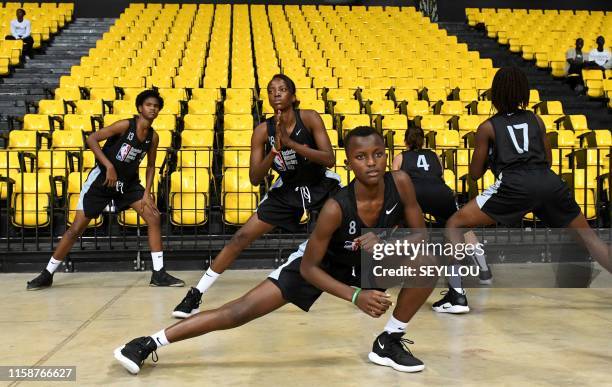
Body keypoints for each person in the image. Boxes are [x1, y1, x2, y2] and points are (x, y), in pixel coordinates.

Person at [114, 127, 435, 375]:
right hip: (320, 265)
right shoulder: (336, 208)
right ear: (349, 162)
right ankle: (148, 342)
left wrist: (386, 243)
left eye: (378, 154)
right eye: (362, 157)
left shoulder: (401, 182)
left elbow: (419, 235)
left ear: (387, 155)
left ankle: (388, 341)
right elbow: (310, 269)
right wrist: (355, 296)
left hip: (365, 259)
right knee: (239, 311)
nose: (372, 163)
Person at [171, 74, 341, 318]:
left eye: (282, 89)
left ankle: (372, 283)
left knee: (353, 226)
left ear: (293, 96)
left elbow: (329, 158)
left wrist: (292, 143)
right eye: (272, 90)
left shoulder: (310, 117)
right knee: (240, 237)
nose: (277, 93)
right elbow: (254, 177)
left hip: (320, 183)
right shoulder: (262, 131)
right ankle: (196, 294)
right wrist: (273, 152)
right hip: (287, 189)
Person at [445, 66, 611, 276]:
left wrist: (492, 159)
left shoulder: (488, 127)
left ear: (495, 94)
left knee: (454, 223)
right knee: (590, 239)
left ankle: (456, 294)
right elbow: (548, 160)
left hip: (515, 186)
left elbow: (475, 173)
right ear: (524, 92)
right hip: (548, 183)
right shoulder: (536, 120)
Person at [26, 89, 184, 290]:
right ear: (139, 108)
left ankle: (159, 274)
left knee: (153, 217)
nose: (152, 108)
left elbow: (152, 166)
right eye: (148, 105)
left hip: (128, 184)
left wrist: (147, 193)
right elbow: (91, 139)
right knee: (76, 229)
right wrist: (108, 166)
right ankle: (47, 273)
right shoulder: (125, 125)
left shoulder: (153, 137)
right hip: (102, 180)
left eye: (156, 106)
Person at [392, 127, 492, 315]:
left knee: (396, 224)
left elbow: (394, 179)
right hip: (440, 193)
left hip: (415, 193)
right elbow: (440, 175)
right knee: (459, 228)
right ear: (423, 141)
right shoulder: (434, 156)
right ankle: (484, 270)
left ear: (406, 141)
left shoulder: (400, 156)